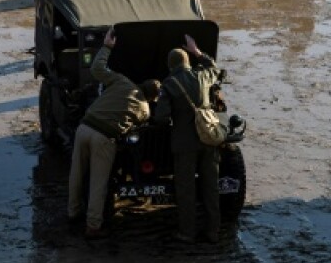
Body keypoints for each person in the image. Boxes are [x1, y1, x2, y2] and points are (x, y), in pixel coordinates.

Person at [67, 27, 160, 239]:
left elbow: (97, 69)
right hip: (103, 138)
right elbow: (140, 127)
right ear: (153, 98)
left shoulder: (122, 81)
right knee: (98, 184)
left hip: (84, 128)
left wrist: (107, 47)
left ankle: (72, 213)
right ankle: (93, 226)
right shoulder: (144, 109)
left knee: (76, 173)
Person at [154, 36, 225, 244]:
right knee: (211, 187)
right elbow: (214, 67)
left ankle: (187, 232)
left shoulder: (169, 84)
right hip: (208, 138)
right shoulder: (202, 76)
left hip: (184, 144)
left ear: (170, 65)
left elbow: (161, 117)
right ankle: (213, 231)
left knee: (186, 189)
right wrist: (197, 51)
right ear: (188, 62)